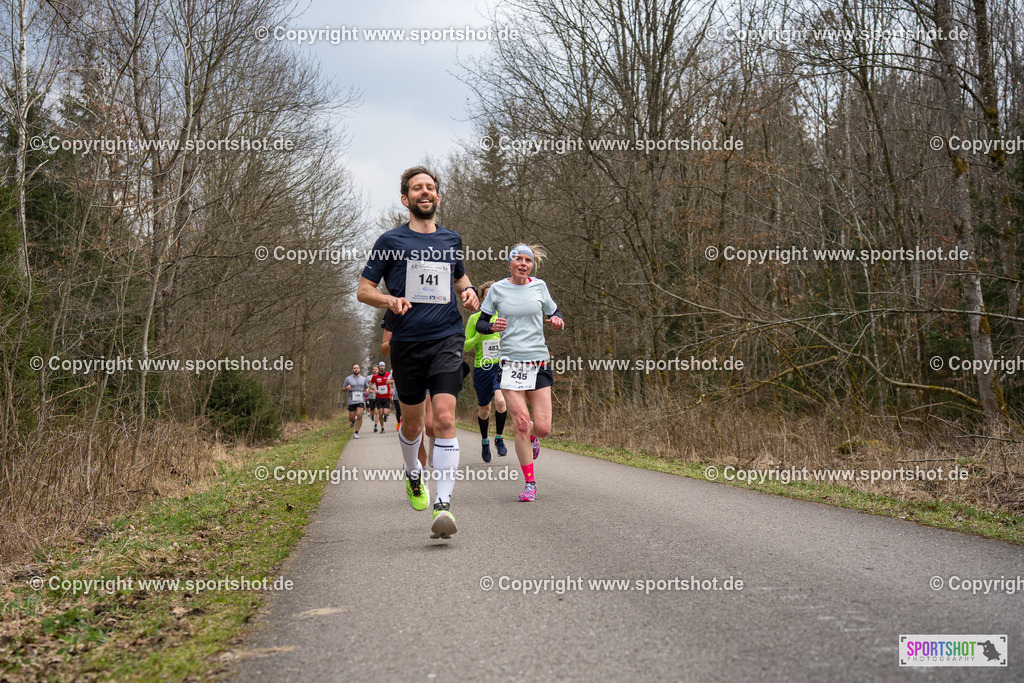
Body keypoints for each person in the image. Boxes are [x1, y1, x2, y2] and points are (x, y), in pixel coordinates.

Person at [357, 166, 479, 539]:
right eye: (417, 188)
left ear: (438, 196)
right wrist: (389, 299)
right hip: (407, 342)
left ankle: (443, 504)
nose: (424, 192)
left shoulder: (451, 239)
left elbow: (459, 277)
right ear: (405, 198)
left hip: (447, 337)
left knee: (444, 419)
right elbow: (363, 290)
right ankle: (413, 474)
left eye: (430, 187)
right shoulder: (390, 240)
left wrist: (469, 292)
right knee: (412, 424)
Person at [476, 244, 564, 501]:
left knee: (543, 428)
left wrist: (557, 319)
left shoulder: (540, 287)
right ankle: (530, 483)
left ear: (531, 265)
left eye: (528, 260)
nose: (523, 263)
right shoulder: (497, 290)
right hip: (510, 365)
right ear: (510, 263)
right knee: (522, 424)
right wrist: (492, 326)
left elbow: (554, 311)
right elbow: (481, 322)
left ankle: (534, 439)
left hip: (538, 363)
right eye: (518, 259)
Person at [464, 281, 508, 462]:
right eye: (488, 296)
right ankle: (484, 441)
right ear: (483, 300)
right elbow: (466, 346)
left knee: (500, 401)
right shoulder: (475, 319)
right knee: (484, 409)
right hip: (482, 368)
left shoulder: (505, 316)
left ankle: (499, 438)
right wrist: (479, 335)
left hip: (501, 366)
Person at [341, 363, 369, 439]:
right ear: (352, 370)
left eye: (357, 368)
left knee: (360, 415)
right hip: (351, 400)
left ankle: (356, 432)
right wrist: (346, 388)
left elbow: (366, 387)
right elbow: (343, 389)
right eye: (354, 368)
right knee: (351, 417)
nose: (356, 369)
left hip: (360, 399)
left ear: (359, 369)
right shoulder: (348, 379)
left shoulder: (363, 379)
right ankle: (353, 421)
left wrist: (367, 390)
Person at [370, 362, 395, 433]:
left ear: (384, 367)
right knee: (380, 413)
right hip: (379, 397)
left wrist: (392, 388)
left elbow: (393, 381)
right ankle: (382, 428)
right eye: (380, 366)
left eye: (383, 366)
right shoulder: (375, 376)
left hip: (387, 397)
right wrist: (375, 389)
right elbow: (370, 384)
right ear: (379, 367)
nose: (382, 367)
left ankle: (386, 416)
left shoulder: (388, 375)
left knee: (386, 413)